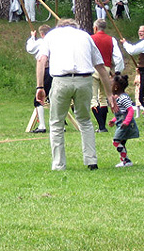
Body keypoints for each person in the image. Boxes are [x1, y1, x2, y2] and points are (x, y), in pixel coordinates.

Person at [35, 18, 117, 171]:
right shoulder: (85, 36)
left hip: (61, 81)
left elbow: (41, 60)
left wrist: (40, 86)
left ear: (60, 27)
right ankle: (91, 161)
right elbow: (101, 68)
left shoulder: (52, 35)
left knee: (56, 123)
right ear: (75, 27)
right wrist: (109, 94)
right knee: (85, 121)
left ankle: (59, 164)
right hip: (84, 80)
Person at [90, 19, 124, 132]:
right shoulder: (111, 40)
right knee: (103, 98)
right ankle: (102, 126)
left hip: (93, 69)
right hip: (106, 68)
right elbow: (118, 57)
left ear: (95, 28)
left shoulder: (90, 39)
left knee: (93, 98)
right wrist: (118, 71)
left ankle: (101, 126)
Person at [121, 25, 144, 126]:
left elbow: (132, 51)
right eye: (139, 31)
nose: (140, 33)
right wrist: (141, 66)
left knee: (143, 96)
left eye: (142, 31)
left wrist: (125, 43)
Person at [108, 73, 139, 167]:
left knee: (116, 141)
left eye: (111, 85)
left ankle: (126, 160)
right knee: (121, 142)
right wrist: (114, 120)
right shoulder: (118, 98)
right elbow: (121, 113)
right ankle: (124, 161)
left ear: (116, 87)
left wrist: (126, 122)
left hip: (125, 125)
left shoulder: (123, 98)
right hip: (121, 123)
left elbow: (130, 110)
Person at [26, 25, 52, 133]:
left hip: (46, 70)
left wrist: (32, 37)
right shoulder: (55, 42)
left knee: (39, 100)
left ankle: (42, 125)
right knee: (53, 97)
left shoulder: (42, 42)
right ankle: (60, 125)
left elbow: (30, 48)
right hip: (56, 72)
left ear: (41, 34)